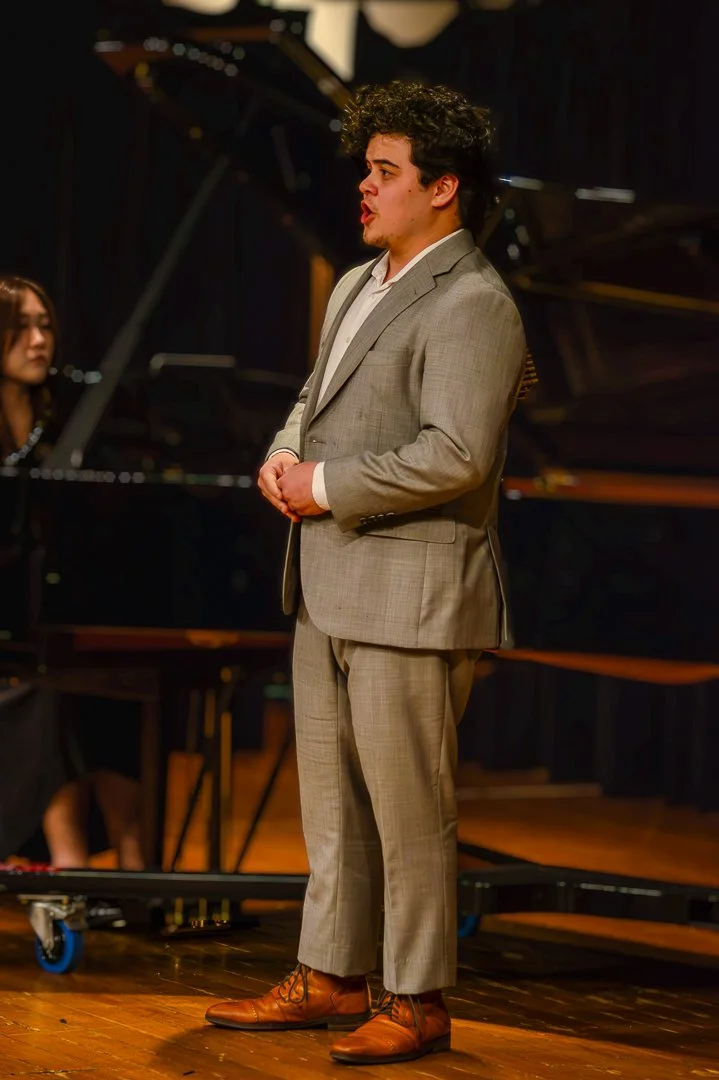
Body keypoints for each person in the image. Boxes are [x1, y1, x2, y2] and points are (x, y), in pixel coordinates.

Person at [205, 82, 527, 1066]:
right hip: (328, 583)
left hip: (411, 597)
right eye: (365, 168)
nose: (364, 186)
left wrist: (328, 482)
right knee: (333, 811)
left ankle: (416, 996)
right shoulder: (354, 285)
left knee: (408, 815)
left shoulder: (472, 302)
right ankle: (331, 975)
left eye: (384, 172)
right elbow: (312, 400)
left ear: (444, 188)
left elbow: (457, 454)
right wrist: (280, 456)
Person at [0, 274, 144, 874]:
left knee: (112, 689)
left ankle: (140, 864)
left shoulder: (68, 421)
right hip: (10, 630)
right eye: (21, 327)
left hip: (45, 613)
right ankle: (69, 865)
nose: (40, 341)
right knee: (51, 691)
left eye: (46, 326)